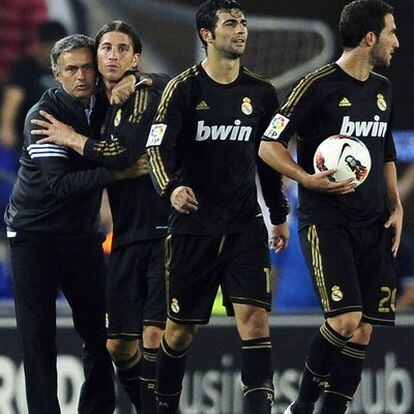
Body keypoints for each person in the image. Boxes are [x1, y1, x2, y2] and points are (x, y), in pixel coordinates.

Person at [146, 1, 289, 413]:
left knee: (256, 322)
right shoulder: (183, 89)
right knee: (178, 333)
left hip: (245, 225)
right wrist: (172, 189)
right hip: (193, 228)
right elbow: (157, 148)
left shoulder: (262, 93)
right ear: (207, 35)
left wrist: (277, 216)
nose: (241, 29)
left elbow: (269, 158)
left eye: (243, 22)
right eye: (230, 23)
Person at [259, 1, 402, 413]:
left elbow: (385, 151)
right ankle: (300, 407)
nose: (397, 41)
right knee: (344, 320)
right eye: (391, 32)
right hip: (328, 223)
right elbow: (269, 145)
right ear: (370, 37)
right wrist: (304, 179)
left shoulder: (382, 88)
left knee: (362, 332)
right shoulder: (317, 85)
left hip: (375, 223)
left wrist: (396, 205)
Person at [31, 21, 170, 413]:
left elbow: (124, 154)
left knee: (155, 336)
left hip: (162, 228)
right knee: (117, 345)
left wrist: (71, 138)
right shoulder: (97, 104)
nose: (112, 55)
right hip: (125, 232)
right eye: (105, 49)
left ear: (135, 57)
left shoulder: (146, 93)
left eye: (122, 49)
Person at [4, 34, 145, 414]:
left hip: (81, 236)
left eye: (87, 67)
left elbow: (158, 83)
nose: (82, 76)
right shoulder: (42, 117)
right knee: (39, 341)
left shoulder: (103, 104)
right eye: (71, 69)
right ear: (56, 73)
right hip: (34, 238)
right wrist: (119, 173)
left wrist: (134, 78)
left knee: (101, 335)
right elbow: (61, 185)